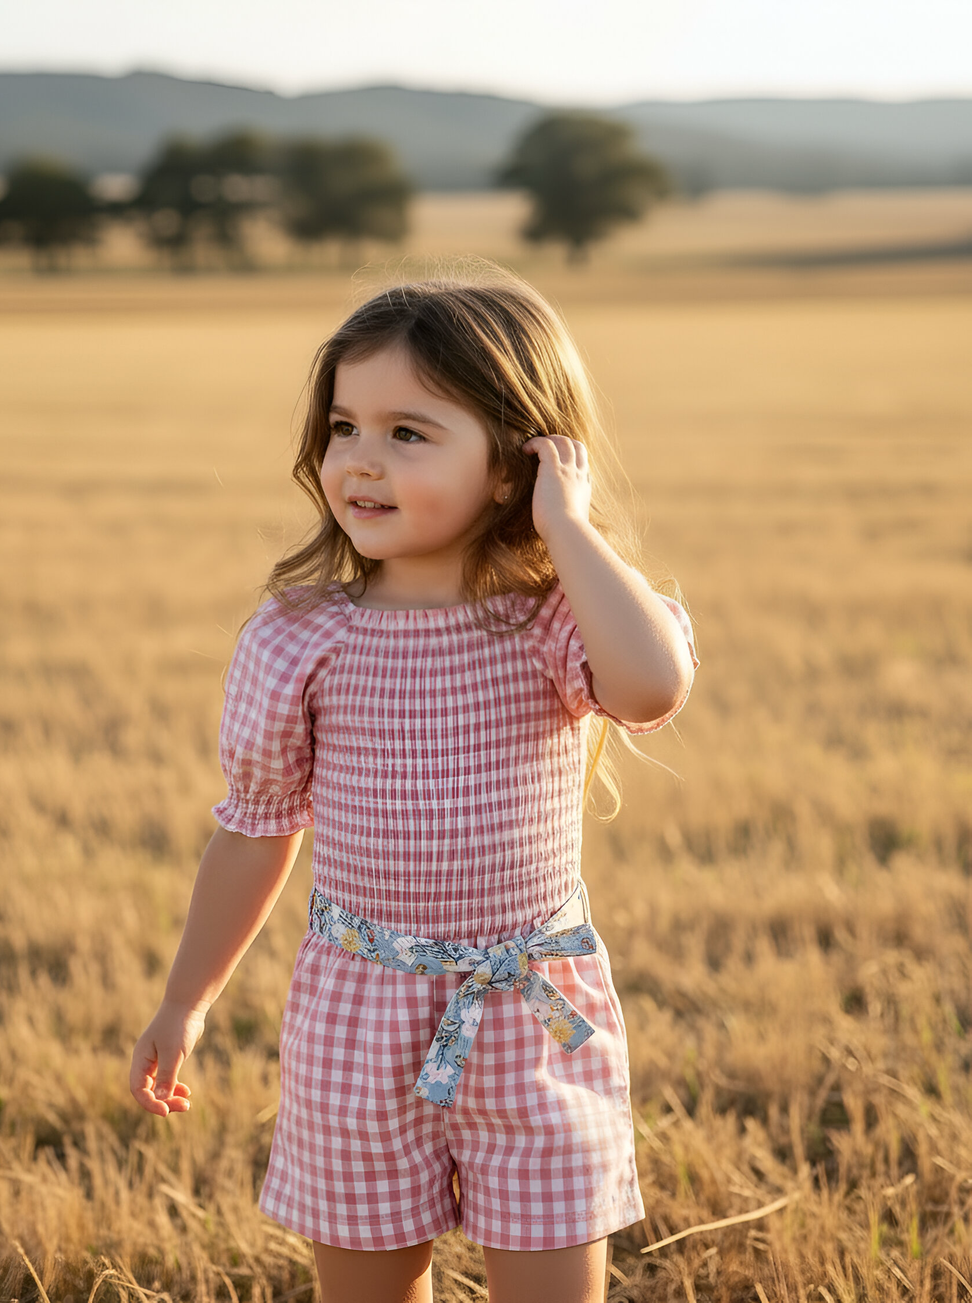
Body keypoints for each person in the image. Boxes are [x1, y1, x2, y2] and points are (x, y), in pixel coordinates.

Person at [130, 271, 698, 1303]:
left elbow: (654, 685)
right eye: (345, 426)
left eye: (408, 432)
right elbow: (256, 829)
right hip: (359, 1011)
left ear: (512, 461)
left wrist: (566, 528)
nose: (360, 461)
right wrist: (185, 998)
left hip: (532, 1014)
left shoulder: (552, 623)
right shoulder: (303, 636)